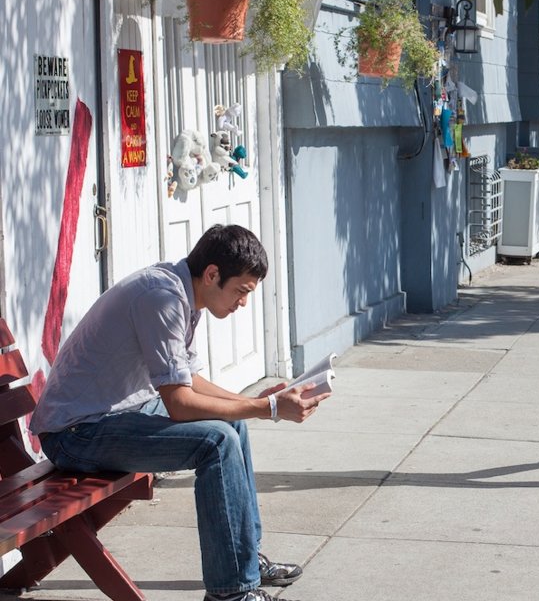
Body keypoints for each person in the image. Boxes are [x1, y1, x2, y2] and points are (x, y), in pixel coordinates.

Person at [30, 224, 326, 601]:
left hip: (113, 413)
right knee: (215, 442)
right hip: (75, 434)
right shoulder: (162, 298)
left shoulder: (182, 293)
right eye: (241, 291)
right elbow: (180, 403)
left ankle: (245, 559)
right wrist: (268, 408)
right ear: (212, 274)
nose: (243, 303)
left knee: (231, 421)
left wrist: (253, 401)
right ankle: (232, 592)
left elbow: (189, 381)